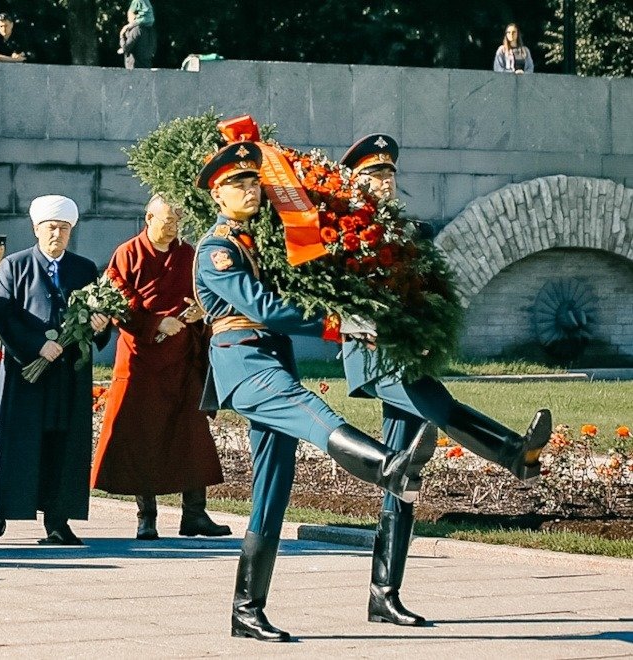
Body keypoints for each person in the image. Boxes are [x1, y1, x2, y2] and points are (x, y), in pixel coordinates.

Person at [193, 141, 436, 642]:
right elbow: (260, 306)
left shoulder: (254, 243)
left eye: (253, 180)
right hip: (244, 366)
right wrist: (336, 323)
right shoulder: (215, 250)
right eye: (237, 184)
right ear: (217, 195)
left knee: (272, 492)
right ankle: (389, 466)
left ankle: (245, 609)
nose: (250, 189)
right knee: (313, 412)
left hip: (270, 359)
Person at [339, 133, 552, 627]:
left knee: (404, 476)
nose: (385, 182)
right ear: (356, 182)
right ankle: (513, 454)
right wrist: (363, 326)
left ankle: (383, 595)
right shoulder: (342, 230)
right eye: (375, 174)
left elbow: (431, 291)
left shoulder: (413, 230)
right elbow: (335, 298)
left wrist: (432, 331)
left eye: (390, 173)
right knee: (437, 405)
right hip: (374, 356)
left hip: (409, 350)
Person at [91, 194, 229, 541]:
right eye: (165, 220)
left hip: (184, 358)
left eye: (176, 221)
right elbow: (119, 302)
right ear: (147, 218)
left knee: (192, 435)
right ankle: (146, 517)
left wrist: (202, 311)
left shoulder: (189, 254)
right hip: (143, 360)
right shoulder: (128, 253)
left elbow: (208, 292)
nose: (172, 227)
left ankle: (194, 515)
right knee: (142, 435)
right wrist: (155, 324)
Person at [0, 195, 110, 545]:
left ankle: (58, 521)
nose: (57, 234)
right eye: (51, 227)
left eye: (64, 228)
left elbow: (97, 312)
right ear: (36, 229)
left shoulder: (84, 269)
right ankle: (0, 507)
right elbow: (3, 316)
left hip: (68, 373)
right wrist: (36, 345)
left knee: (64, 445)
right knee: (17, 443)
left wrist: (101, 325)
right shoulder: (14, 265)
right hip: (27, 373)